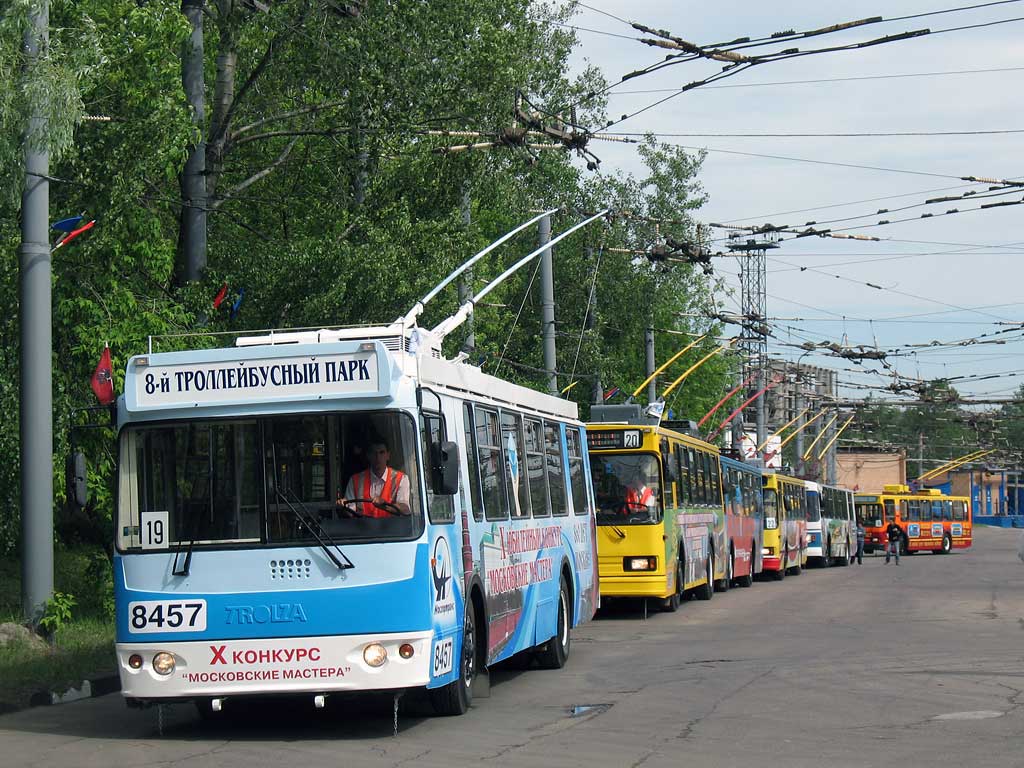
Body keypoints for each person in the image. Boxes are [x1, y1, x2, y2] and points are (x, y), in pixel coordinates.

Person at [339, 437, 411, 517]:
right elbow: (351, 511)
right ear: (368, 456)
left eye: (381, 452)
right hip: (363, 528)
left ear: (388, 455)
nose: (378, 457)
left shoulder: (401, 479)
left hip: (392, 528)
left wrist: (385, 506)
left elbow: (405, 509)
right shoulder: (355, 480)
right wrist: (344, 506)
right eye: (374, 453)